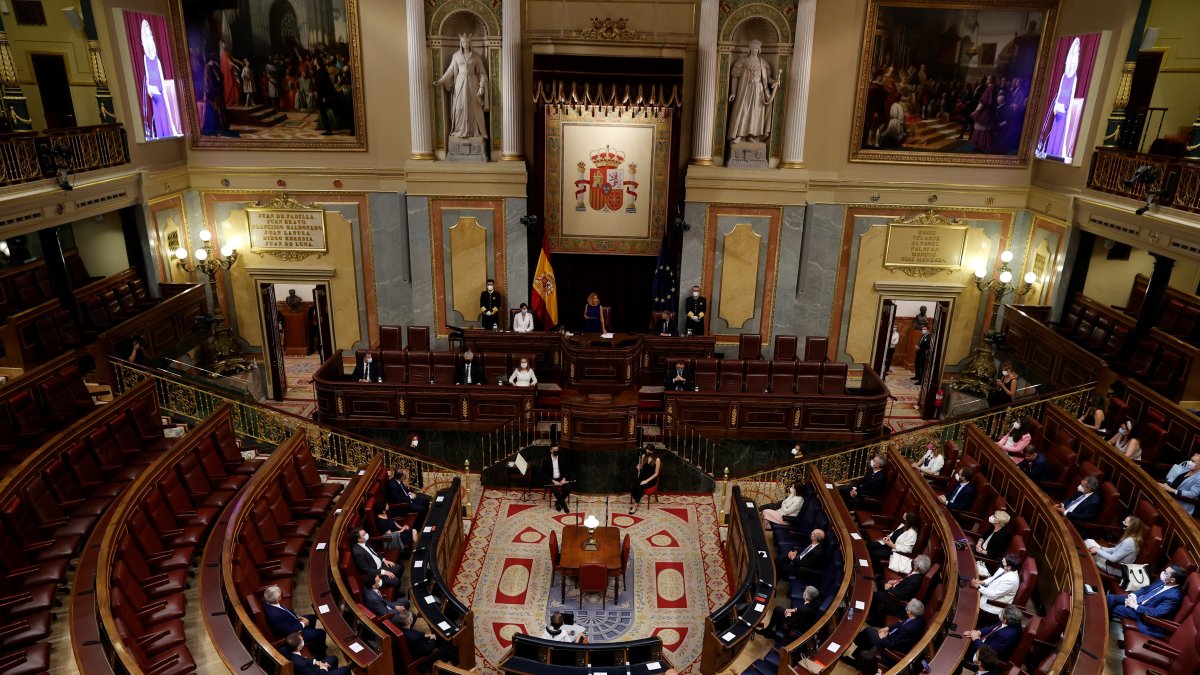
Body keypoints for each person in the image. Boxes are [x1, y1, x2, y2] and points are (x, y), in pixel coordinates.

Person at [1106, 565, 1187, 638]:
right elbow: (1146, 589)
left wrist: (1135, 606)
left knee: (1113, 608)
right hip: (1135, 601)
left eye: (1166, 573)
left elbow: (1156, 612)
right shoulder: (1163, 581)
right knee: (1109, 598)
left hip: (1141, 613)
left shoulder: (1174, 596)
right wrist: (1133, 596)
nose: (1162, 573)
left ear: (1172, 580)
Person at [435, 34, 489, 139]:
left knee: (474, 107)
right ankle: (459, 129)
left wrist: (481, 86)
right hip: (460, 83)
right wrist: (441, 80)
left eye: (467, 42)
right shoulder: (456, 56)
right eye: (463, 42)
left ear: (470, 43)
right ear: (461, 43)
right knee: (459, 107)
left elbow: (482, 73)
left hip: (473, 83)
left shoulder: (476, 56)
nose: (465, 44)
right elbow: (450, 70)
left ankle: (474, 131)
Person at [1036, 37, 1081, 160]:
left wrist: (1065, 107)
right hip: (1058, 108)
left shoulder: (1074, 78)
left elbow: (1070, 97)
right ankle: (1050, 150)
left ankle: (1057, 152)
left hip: (1065, 110)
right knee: (1054, 130)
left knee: (1060, 132)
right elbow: (1060, 91)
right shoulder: (1064, 76)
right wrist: (1056, 105)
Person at [853, 598, 926, 672]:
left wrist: (883, 637)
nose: (906, 605)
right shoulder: (918, 618)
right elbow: (903, 623)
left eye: (908, 605)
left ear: (909, 611)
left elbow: (893, 645)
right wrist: (888, 628)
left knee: (868, 631)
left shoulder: (908, 629)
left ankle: (856, 643)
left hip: (888, 648)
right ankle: (859, 655)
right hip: (892, 637)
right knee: (868, 637)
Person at [727, 40, 776, 144]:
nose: (755, 50)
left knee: (756, 113)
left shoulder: (763, 63)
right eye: (753, 48)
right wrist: (733, 92)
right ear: (749, 49)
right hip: (745, 90)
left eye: (757, 48)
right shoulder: (743, 61)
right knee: (743, 111)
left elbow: (767, 78)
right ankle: (739, 134)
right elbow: (735, 77)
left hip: (759, 92)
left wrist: (774, 82)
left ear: (759, 50)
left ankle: (751, 135)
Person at [139, 19, 177, 140]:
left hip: (159, 88)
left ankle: (169, 132)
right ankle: (163, 135)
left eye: (149, 33)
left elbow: (159, 73)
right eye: (146, 34)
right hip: (154, 91)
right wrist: (150, 88)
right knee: (159, 112)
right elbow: (148, 75)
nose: (148, 36)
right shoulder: (146, 57)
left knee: (164, 111)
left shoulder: (156, 58)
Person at [263, 585, 327, 657]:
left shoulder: (268, 602)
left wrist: (298, 617)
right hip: (292, 635)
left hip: (290, 622)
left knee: (311, 617)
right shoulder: (275, 615)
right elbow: (288, 631)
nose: (282, 595)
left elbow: (286, 611)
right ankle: (321, 655)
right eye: (280, 595)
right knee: (321, 633)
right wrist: (302, 623)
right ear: (277, 600)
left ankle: (315, 643)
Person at [870, 555, 931, 625]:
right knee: (880, 583)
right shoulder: (916, 573)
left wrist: (889, 588)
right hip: (897, 588)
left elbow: (902, 595)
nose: (913, 560)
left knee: (874, 595)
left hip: (896, 600)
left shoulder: (914, 581)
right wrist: (897, 581)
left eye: (914, 560)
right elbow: (907, 580)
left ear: (916, 567)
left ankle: (875, 618)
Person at [756, 585, 821, 638]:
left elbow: (787, 624)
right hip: (802, 620)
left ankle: (768, 631)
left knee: (778, 611)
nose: (803, 592)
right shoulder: (816, 602)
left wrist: (788, 615)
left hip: (796, 626)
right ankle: (768, 630)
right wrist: (792, 610)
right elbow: (799, 610)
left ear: (806, 596)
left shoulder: (805, 609)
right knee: (778, 609)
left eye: (805, 592)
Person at [973, 553, 1021, 620]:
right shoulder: (1005, 568)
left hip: (991, 604)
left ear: (1009, 567)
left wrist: (978, 587)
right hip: (986, 593)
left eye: (1004, 562)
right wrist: (982, 582)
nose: (1002, 562)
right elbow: (993, 578)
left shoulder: (1011, 580)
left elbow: (994, 595)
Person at [282, 631, 349, 675]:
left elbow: (303, 659)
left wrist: (317, 662)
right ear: (299, 647)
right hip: (315, 673)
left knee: (333, 658)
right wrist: (323, 668)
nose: (303, 641)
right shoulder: (301, 664)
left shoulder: (283, 649)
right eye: (302, 641)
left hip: (310, 670)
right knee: (346, 670)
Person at [541, 445, 574, 513]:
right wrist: (553, 481)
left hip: (561, 478)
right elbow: (543, 474)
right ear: (551, 450)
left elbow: (566, 470)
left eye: (557, 450)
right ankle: (564, 505)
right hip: (552, 479)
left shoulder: (562, 458)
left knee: (568, 488)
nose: (556, 451)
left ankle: (557, 502)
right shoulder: (546, 460)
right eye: (554, 450)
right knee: (555, 490)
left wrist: (564, 479)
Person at [630, 447, 661, 513]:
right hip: (642, 477)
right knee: (634, 486)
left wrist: (646, 481)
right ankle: (636, 499)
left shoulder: (657, 460)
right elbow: (642, 467)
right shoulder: (644, 456)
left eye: (649, 452)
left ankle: (635, 505)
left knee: (640, 487)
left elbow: (656, 473)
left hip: (650, 480)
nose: (647, 453)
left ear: (653, 451)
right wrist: (639, 467)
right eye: (646, 452)